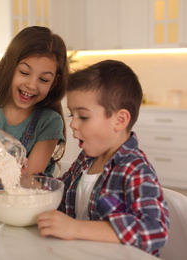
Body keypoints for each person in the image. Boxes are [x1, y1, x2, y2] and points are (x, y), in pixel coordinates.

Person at [37, 60, 169, 257]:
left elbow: (154, 229)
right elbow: (59, 193)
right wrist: (28, 181)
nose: (72, 124)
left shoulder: (135, 169)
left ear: (120, 120)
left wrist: (75, 228)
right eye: (71, 114)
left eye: (83, 116)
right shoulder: (85, 160)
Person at [0, 26, 69, 191]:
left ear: (54, 83)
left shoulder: (49, 122)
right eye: (24, 72)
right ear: (10, 66)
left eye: (43, 79)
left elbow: (25, 182)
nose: (31, 85)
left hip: (28, 207)